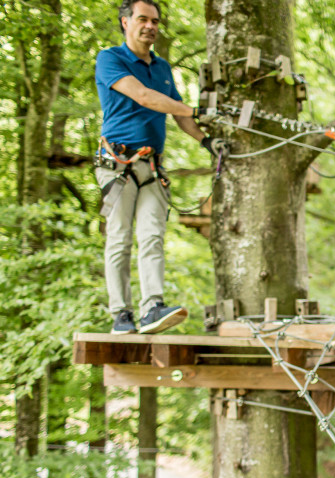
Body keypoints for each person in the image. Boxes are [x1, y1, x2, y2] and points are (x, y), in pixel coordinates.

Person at [94, 0, 228, 334]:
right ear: (125, 22)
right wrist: (195, 110)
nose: (150, 26)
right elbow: (144, 97)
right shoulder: (110, 59)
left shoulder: (163, 68)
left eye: (155, 21)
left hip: (152, 167)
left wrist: (204, 140)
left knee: (152, 237)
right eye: (142, 19)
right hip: (118, 164)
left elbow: (178, 113)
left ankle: (152, 306)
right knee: (120, 238)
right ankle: (121, 314)